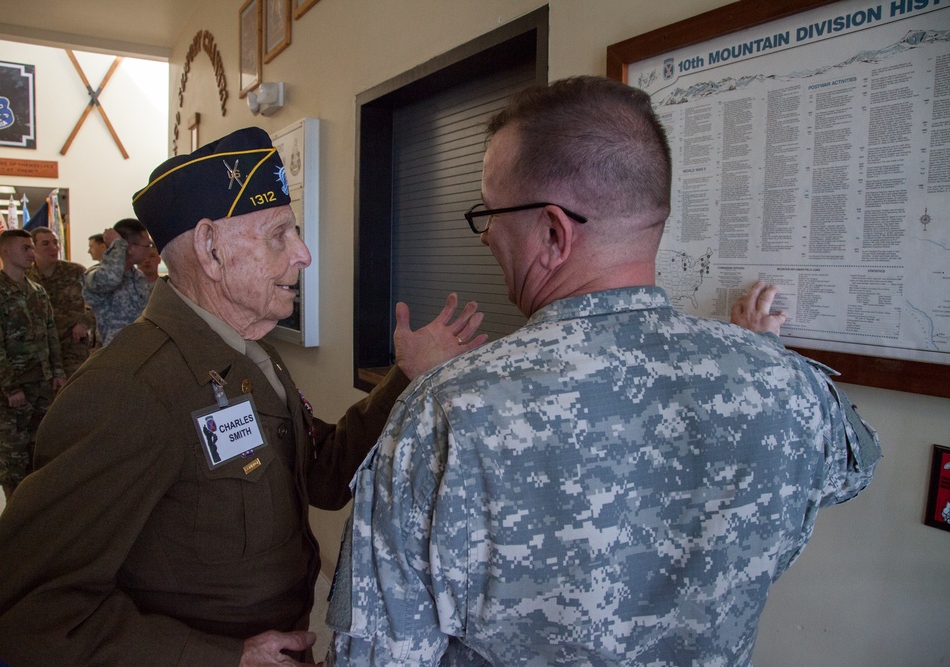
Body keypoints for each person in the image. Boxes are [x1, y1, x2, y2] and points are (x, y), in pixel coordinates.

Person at [325, 77, 882, 666]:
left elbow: (378, 655)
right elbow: (854, 470)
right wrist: (754, 361)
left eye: (489, 213)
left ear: (553, 232)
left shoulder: (445, 413)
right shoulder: (786, 387)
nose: (486, 235)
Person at [0, 127, 486, 667]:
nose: (304, 255)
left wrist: (406, 375)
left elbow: (326, 474)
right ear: (211, 248)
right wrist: (217, 657)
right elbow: (20, 603)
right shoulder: (129, 391)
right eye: (279, 235)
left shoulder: (249, 354)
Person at [0, 229, 66, 500]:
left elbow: (50, 335)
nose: (31, 253)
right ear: (6, 252)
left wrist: (57, 372)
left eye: (31, 248)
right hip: (13, 393)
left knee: (42, 455)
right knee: (14, 460)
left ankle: (37, 519)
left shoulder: (37, 292)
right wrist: (11, 388)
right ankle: (13, 523)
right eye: (25, 248)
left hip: (42, 387)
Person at [27, 227, 94, 377]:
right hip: (41, 349)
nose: (53, 247)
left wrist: (85, 322)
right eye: (45, 244)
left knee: (75, 392)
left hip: (73, 347)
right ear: (33, 249)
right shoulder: (26, 278)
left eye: (56, 242)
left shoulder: (76, 272)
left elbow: (100, 301)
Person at [82, 217, 152, 344]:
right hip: (112, 354)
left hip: (139, 349)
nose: (149, 250)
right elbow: (111, 278)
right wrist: (118, 244)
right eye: (147, 246)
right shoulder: (96, 274)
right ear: (130, 248)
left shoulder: (138, 276)